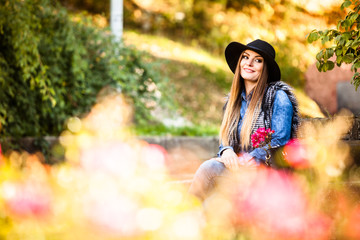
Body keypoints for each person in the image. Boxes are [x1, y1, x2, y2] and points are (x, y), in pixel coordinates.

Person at [188, 39, 300, 201]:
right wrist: (226, 151)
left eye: (258, 60)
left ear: (265, 68)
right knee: (212, 194)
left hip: (265, 173)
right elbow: (226, 139)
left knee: (211, 174)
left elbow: (280, 139)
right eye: (245, 57)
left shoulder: (277, 97)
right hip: (238, 172)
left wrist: (249, 159)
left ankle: (183, 215)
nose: (249, 63)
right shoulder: (233, 102)